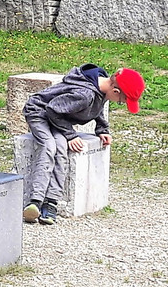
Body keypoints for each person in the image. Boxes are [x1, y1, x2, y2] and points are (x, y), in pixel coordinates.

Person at [20, 64, 144, 225]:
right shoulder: (84, 94)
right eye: (121, 101)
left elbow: (97, 106)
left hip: (59, 118)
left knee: (61, 148)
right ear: (115, 91)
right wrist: (70, 135)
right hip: (40, 113)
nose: (117, 103)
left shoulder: (101, 87)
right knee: (49, 146)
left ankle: (51, 202)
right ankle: (35, 201)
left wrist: (102, 129)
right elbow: (52, 110)